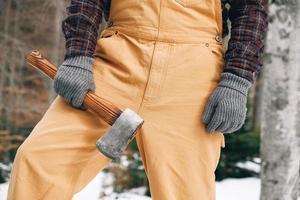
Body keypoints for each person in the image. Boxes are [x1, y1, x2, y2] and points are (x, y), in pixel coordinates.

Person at [7, 0, 268, 199]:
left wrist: (237, 79)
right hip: (117, 57)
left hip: (194, 69)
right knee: (37, 162)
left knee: (187, 191)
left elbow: (252, 9)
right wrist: (78, 55)